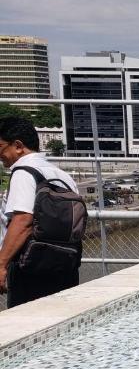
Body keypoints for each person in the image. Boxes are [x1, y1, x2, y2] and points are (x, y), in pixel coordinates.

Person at [0, 116, 81, 307]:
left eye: (1, 147)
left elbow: (23, 221)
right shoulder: (61, 175)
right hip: (65, 264)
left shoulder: (23, 172)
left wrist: (2, 265)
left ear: (18, 146)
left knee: (26, 325)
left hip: (30, 267)